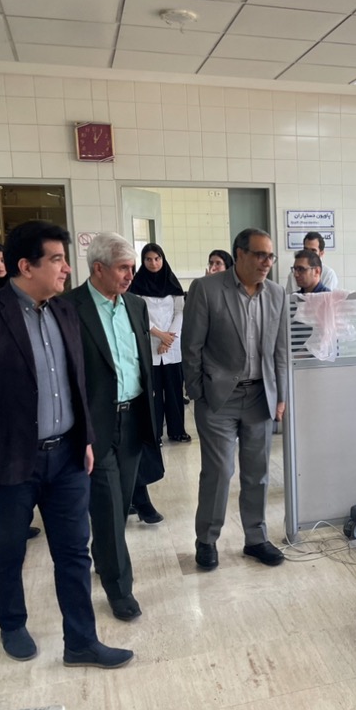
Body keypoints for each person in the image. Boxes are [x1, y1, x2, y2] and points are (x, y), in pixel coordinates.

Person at [0, 220, 132, 668]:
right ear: (26, 266)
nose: (66, 268)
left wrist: (85, 438)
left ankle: (81, 641)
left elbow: (77, 381)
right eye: (57, 259)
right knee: (9, 548)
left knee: (74, 552)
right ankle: (12, 624)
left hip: (66, 456)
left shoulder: (65, 310)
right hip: (8, 458)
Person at [182, 228, 288, 570]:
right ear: (239, 254)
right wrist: (197, 391)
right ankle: (207, 539)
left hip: (260, 396)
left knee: (257, 473)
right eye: (260, 254)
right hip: (219, 398)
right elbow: (192, 345)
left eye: (270, 256)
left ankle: (256, 538)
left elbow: (280, 351)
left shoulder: (276, 293)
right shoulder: (206, 289)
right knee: (219, 471)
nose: (267, 262)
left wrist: (281, 395)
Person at [68, 233, 161, 621]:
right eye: (123, 268)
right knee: (107, 508)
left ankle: (104, 554)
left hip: (134, 416)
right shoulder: (69, 308)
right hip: (96, 423)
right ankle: (119, 588)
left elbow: (142, 362)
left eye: (132, 267)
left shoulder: (136, 305)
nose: (130, 275)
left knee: (119, 505)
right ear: (98, 269)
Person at [130, 243, 190, 446]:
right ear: (143, 261)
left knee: (174, 391)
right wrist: (159, 335)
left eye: (157, 259)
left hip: (171, 346)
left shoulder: (172, 283)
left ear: (163, 259)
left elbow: (179, 312)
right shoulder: (136, 285)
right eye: (148, 259)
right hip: (150, 344)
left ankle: (177, 431)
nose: (153, 263)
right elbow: (138, 314)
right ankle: (154, 434)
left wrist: (168, 339)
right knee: (153, 393)